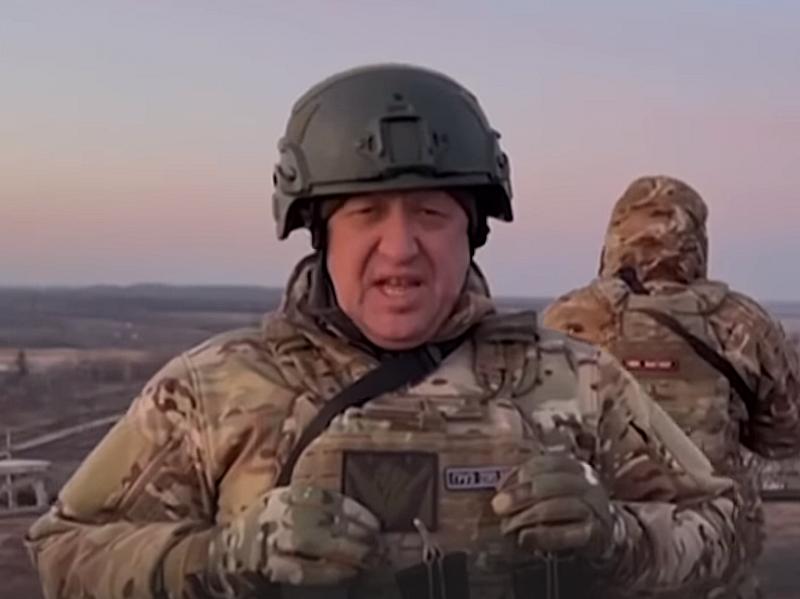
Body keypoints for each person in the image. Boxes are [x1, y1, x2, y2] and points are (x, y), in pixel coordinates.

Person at [27, 65, 745, 599]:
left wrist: (615, 537)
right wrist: (224, 558)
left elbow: (723, 526)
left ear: (471, 232)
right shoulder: (215, 391)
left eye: (430, 214)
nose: (400, 248)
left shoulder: (578, 381)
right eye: (366, 213)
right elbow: (66, 553)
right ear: (319, 233)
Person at [543, 175, 800, 598]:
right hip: (713, 566)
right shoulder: (742, 322)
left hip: (602, 562)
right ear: (695, 243)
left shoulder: (566, 319)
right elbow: (784, 436)